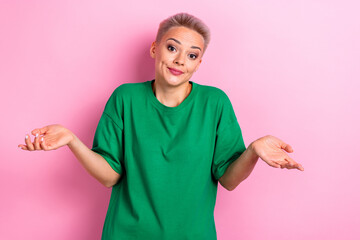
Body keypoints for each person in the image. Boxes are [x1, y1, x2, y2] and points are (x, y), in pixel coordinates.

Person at [18, 12, 304, 240]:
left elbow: (228, 179)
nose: (180, 60)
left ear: (199, 63)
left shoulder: (214, 103)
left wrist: (253, 150)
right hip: (126, 234)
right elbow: (109, 176)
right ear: (156, 49)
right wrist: (71, 140)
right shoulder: (125, 98)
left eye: (192, 55)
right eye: (172, 48)